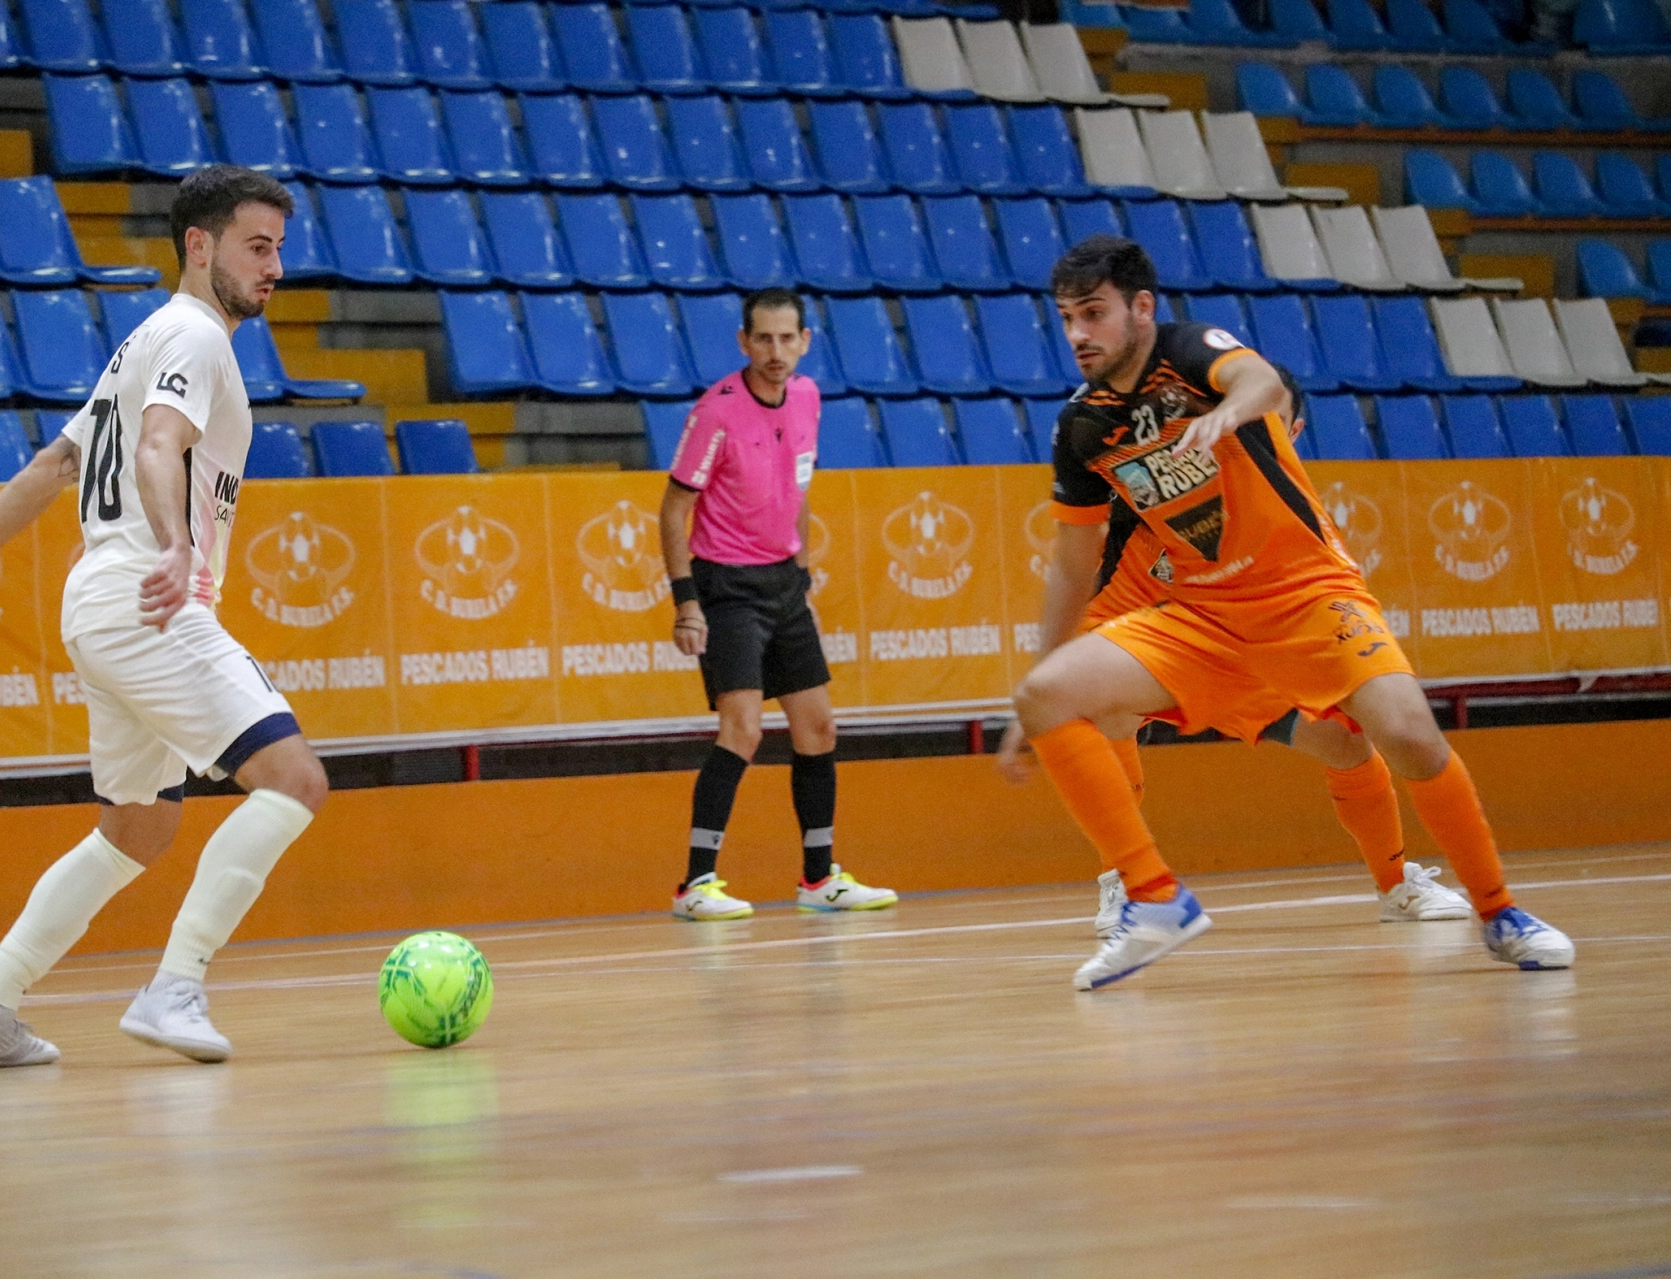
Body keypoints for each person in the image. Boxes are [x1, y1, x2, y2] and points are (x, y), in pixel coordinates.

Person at [1009, 234, 1573, 990]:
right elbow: (1074, 557)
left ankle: (1498, 910)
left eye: (1094, 313)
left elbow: (1260, 380)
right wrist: (1045, 666)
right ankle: (1147, 893)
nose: (1078, 333)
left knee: (1404, 735)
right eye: (1067, 317)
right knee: (1046, 695)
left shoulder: (1193, 350)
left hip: (1307, 595)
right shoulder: (1082, 426)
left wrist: (1231, 412)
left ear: (1140, 309)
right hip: (1202, 619)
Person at [0, 166, 330, 1066]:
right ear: (199, 247)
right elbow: (162, 444)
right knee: (293, 779)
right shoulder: (194, 337)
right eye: (258, 245)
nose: (275, 265)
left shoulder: (146, 342)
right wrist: (173, 542)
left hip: (103, 601)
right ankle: (176, 986)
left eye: (279, 247)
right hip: (147, 595)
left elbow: (53, 466)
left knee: (136, 827)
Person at [1000, 385, 1471, 937]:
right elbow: (1083, 582)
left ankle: (1395, 884)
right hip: (1159, 655)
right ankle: (1126, 885)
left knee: (1345, 741)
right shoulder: (1145, 493)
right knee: (1105, 715)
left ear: (1287, 435)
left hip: (1249, 654)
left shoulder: (1282, 505)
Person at [660, 287, 897, 921]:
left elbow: (800, 482)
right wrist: (687, 604)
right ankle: (696, 884)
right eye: (762, 339)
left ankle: (819, 880)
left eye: (786, 338)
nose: (775, 351)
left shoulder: (810, 398)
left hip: (784, 582)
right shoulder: (716, 412)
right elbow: (675, 509)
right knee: (741, 729)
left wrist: (803, 575)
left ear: (804, 341)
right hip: (726, 586)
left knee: (818, 728)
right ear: (744, 342)